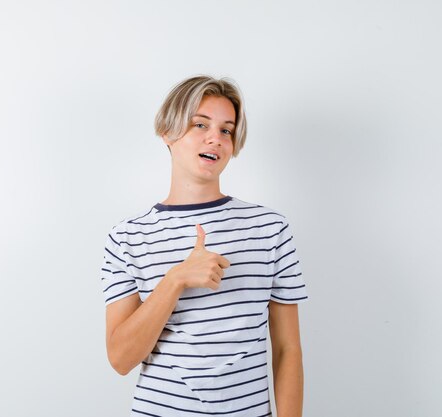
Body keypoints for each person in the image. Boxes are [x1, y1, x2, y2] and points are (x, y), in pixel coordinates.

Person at [99, 75, 309, 417]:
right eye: (200, 124)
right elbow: (121, 359)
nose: (216, 138)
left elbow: (287, 349)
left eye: (226, 130)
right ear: (167, 133)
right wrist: (175, 280)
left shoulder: (269, 228)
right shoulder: (127, 237)